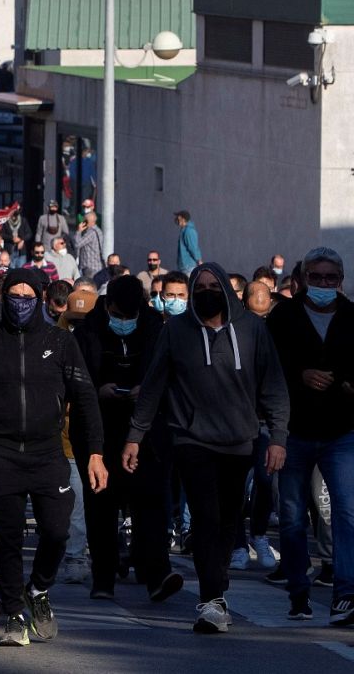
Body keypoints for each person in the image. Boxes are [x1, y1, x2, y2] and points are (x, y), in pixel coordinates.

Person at [124, 262, 288, 634]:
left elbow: (274, 387)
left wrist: (277, 437)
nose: (207, 292)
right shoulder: (176, 331)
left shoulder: (253, 330)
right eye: (200, 287)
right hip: (191, 438)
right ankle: (212, 601)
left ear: (228, 292)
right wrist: (135, 435)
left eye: (215, 286)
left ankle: (218, 574)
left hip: (239, 441)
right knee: (205, 517)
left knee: (230, 518)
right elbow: (153, 385)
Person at [0, 267, 107, 648]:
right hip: (1, 454)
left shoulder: (60, 341)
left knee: (57, 530)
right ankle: (15, 615)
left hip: (48, 453)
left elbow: (86, 399)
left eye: (27, 296)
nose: (19, 303)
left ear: (40, 299)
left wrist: (95, 453)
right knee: (4, 538)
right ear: (2, 296)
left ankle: (38, 588)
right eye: (13, 295)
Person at [73, 275, 182, 602]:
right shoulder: (87, 332)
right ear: (107, 307)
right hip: (99, 430)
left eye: (129, 316)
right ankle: (103, 578)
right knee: (102, 506)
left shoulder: (155, 329)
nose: (124, 322)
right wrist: (98, 390)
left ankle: (156, 574)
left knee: (150, 503)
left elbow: (166, 376)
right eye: (118, 316)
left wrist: (144, 393)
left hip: (145, 431)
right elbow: (76, 379)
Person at [266, 247, 354, 624]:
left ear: (340, 281)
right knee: (291, 515)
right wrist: (300, 374)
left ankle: (345, 594)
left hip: (341, 431)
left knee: (347, 513)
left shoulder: (352, 316)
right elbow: (269, 366)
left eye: (329, 278)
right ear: (302, 279)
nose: (322, 284)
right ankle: (298, 591)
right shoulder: (283, 315)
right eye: (315, 277)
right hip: (294, 429)